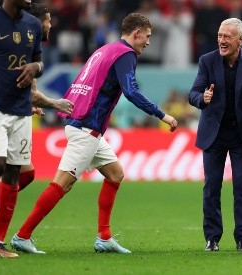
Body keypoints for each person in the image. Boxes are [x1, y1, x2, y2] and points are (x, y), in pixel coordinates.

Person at [10, 12, 178, 255]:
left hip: (84, 123)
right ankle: (22, 235)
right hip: (87, 127)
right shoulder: (126, 54)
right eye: (148, 36)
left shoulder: (106, 50)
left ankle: (104, 237)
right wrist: (162, 115)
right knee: (63, 183)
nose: (148, 42)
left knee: (115, 173)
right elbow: (131, 92)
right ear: (136, 33)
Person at [0, 3, 74, 242]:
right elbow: (30, 91)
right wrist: (57, 104)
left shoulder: (28, 42)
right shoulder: (0, 27)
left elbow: (26, 85)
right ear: (38, 21)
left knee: (23, 175)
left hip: (13, 113)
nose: (50, 25)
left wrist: (30, 97)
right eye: (48, 20)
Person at [188, 18, 242, 252]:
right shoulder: (207, 60)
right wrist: (201, 99)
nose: (221, 40)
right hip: (213, 134)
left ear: (240, 40)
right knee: (212, 187)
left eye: (226, 37)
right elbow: (193, 93)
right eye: (219, 35)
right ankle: (212, 238)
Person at [0, 0, 45, 258]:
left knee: (14, 173)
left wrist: (35, 67)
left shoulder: (33, 24)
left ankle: (0, 242)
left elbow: (40, 62)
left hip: (21, 109)